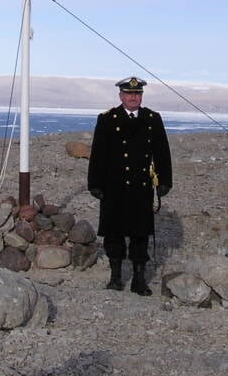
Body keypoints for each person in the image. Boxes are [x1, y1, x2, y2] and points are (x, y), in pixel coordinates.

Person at [87, 76, 172, 296]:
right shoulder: (107, 119)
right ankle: (115, 278)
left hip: (140, 187)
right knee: (114, 233)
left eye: (137, 94)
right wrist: (95, 184)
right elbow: (98, 154)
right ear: (121, 96)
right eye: (129, 94)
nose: (134, 97)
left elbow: (162, 152)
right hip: (113, 187)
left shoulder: (152, 119)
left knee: (140, 233)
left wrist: (164, 181)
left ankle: (139, 280)